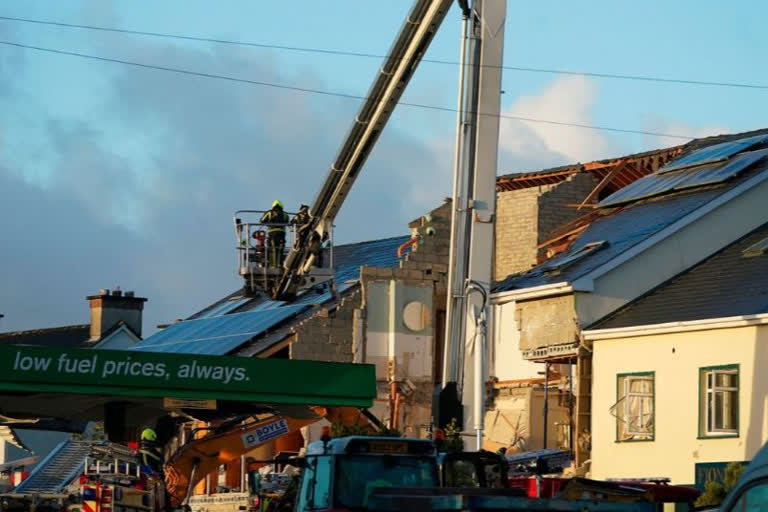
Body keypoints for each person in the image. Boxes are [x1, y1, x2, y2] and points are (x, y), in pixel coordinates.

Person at [260, 200, 290, 266]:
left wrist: (270, 220)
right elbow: (287, 222)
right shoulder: (285, 214)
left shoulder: (269, 213)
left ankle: (272, 265)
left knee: (272, 248)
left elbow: (262, 221)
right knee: (280, 248)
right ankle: (279, 264)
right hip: (281, 233)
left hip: (272, 233)